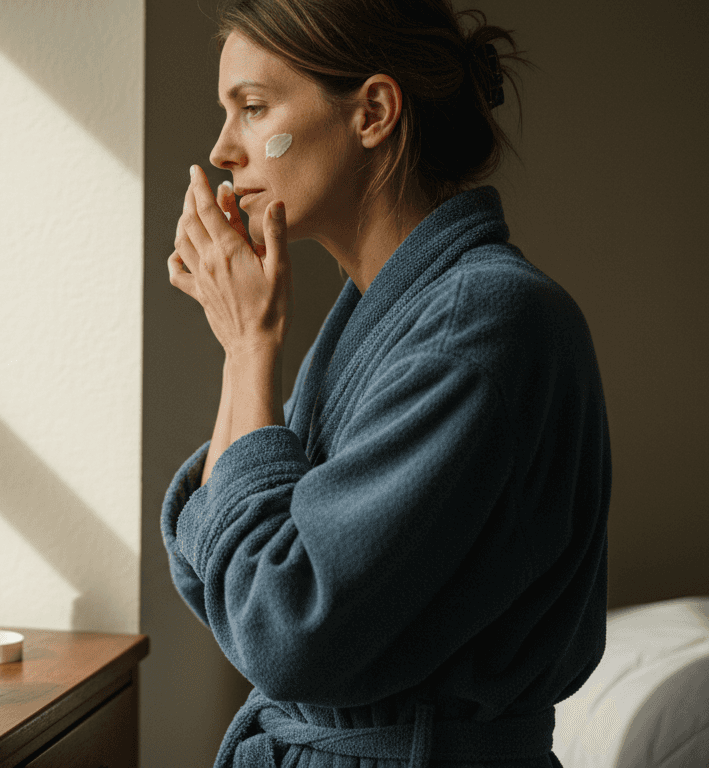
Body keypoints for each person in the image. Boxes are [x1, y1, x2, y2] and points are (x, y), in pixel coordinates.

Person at [163, 1, 609, 765]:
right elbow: (215, 576)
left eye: (254, 107)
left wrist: (247, 350)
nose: (223, 149)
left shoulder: (485, 325)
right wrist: (247, 345)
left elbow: (282, 626)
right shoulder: (382, 316)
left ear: (372, 111)